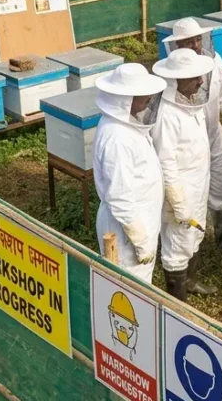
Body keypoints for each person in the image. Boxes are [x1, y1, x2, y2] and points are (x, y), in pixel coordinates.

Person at [163, 18, 222, 255]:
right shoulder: (169, 72)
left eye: (198, 39)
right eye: (189, 42)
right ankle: (185, 246)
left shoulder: (215, 61)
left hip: (213, 135)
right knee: (187, 194)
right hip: (185, 147)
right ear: (177, 46)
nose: (196, 45)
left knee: (221, 186)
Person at [93, 63, 167, 283]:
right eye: (142, 95)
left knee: (139, 286)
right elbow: (119, 197)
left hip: (139, 222)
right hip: (126, 234)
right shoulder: (117, 138)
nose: (148, 99)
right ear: (124, 100)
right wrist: (140, 240)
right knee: (129, 290)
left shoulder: (126, 127)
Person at [152, 48, 216, 300]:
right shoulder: (166, 114)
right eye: (194, 77)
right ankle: (178, 305)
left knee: (195, 233)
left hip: (198, 181)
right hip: (180, 188)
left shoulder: (191, 102)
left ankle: (190, 282)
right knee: (177, 244)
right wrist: (177, 202)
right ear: (174, 81)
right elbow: (165, 162)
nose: (201, 82)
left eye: (201, 76)